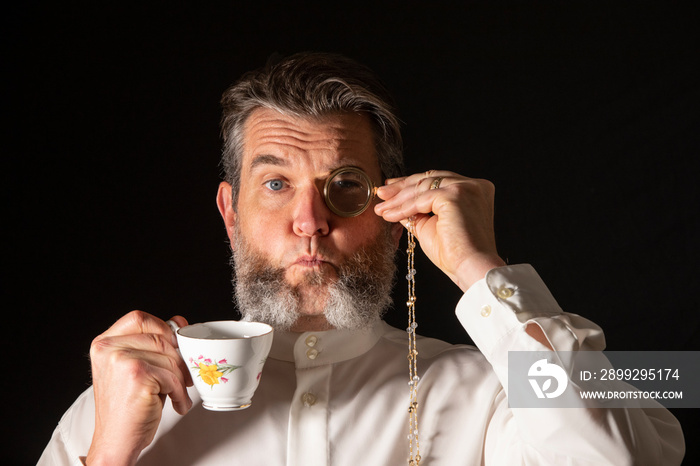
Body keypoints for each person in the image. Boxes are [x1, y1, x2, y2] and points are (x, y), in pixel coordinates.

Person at [39, 52, 685, 465]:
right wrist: (108, 453)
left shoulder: (495, 387)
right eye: (275, 184)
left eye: (346, 186)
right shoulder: (120, 403)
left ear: (395, 218)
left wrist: (482, 270)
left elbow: (619, 455)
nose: (310, 222)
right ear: (229, 213)